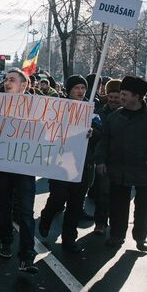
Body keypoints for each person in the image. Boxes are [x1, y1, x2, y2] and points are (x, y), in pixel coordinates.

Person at [95, 76, 147, 252]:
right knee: (118, 206)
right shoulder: (115, 117)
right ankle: (117, 236)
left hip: (145, 171)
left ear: (137, 96)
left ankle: (140, 237)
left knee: (144, 207)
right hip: (118, 171)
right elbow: (103, 143)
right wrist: (100, 161)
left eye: (124, 94)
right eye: (121, 93)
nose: (121, 97)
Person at [0, 68, 38, 274]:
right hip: (3, 167)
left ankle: (27, 257)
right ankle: (5, 242)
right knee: (5, 206)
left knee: (27, 212)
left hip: (26, 167)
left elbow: (50, 132)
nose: (7, 82)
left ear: (24, 84)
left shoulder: (39, 107)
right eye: (6, 79)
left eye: (12, 79)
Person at [38, 75, 99, 254]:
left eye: (83, 88)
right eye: (77, 88)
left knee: (75, 203)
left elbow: (101, 134)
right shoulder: (58, 107)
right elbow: (45, 130)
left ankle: (69, 239)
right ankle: (46, 217)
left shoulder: (92, 110)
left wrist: (93, 133)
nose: (80, 91)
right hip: (60, 162)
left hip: (83, 164)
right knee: (57, 198)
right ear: (69, 90)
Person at [93, 79, 122, 235]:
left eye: (116, 97)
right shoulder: (100, 112)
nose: (113, 100)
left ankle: (117, 225)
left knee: (119, 197)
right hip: (104, 160)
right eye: (110, 96)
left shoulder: (127, 114)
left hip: (123, 162)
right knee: (102, 194)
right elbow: (99, 137)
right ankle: (100, 223)